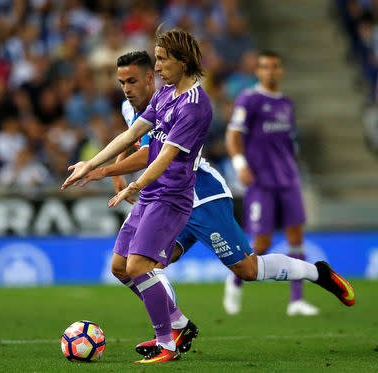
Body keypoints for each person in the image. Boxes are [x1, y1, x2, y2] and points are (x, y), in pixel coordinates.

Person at [79, 50, 356, 358]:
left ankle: (318, 273)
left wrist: (106, 170)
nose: (126, 89)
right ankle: (175, 327)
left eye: (132, 81)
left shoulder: (174, 103)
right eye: (122, 83)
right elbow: (133, 138)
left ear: (150, 79)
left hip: (202, 197)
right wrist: (118, 169)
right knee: (137, 267)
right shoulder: (130, 107)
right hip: (164, 199)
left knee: (248, 270)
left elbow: (151, 155)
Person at [62, 28, 213, 364]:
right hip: (150, 196)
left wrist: (134, 185)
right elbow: (131, 134)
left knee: (139, 265)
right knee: (120, 267)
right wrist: (91, 164)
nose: (157, 67)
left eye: (161, 59)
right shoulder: (165, 96)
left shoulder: (195, 106)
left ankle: (167, 345)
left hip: (171, 196)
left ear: (182, 60)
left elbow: (164, 156)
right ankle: (177, 322)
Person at [225, 50, 319, 315]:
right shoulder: (249, 99)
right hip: (261, 181)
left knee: (296, 238)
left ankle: (296, 301)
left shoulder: (287, 103)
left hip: (288, 179)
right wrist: (241, 166)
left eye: (274, 66)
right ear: (258, 71)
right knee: (262, 243)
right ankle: (234, 281)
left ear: (281, 70)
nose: (270, 71)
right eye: (264, 67)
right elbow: (233, 137)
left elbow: (288, 143)